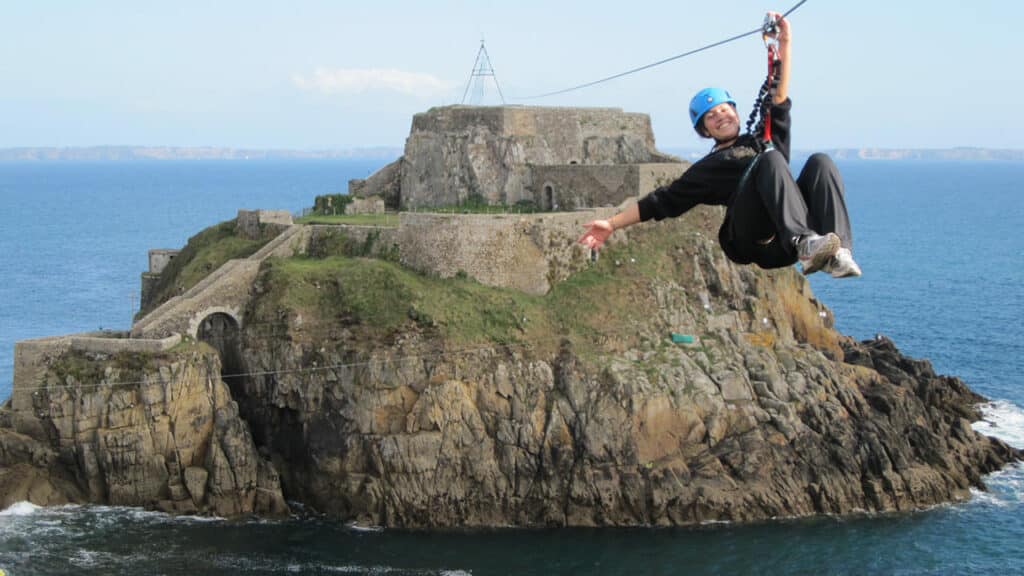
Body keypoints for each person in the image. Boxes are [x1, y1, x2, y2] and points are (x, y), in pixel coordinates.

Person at [578, 11, 861, 278]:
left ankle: (838, 254)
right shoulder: (709, 168)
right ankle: (805, 243)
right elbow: (662, 201)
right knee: (770, 160)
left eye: (725, 110)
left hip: (787, 234)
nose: (720, 116)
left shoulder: (762, 141)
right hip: (757, 240)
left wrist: (784, 44)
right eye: (711, 117)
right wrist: (612, 224)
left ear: (736, 112)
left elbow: (778, 101)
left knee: (820, 162)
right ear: (705, 130)